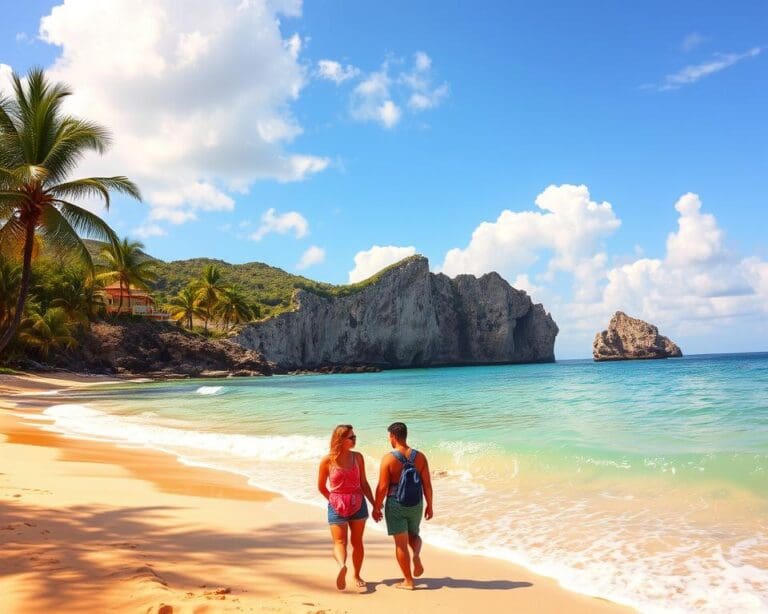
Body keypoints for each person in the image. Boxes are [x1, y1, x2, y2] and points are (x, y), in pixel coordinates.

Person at [372, 421, 434, 590]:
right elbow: (427, 484)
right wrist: (430, 505)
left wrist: (376, 507)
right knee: (414, 535)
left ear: (393, 437)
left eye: (389, 436)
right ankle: (416, 554)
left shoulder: (389, 458)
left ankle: (408, 580)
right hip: (416, 503)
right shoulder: (420, 457)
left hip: (396, 503)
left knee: (400, 544)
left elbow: (383, 487)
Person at [317, 424, 375, 591]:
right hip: (338, 504)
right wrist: (333, 500)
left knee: (353, 542)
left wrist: (375, 505)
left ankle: (353, 572)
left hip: (358, 503)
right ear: (341, 440)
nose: (355, 439)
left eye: (354, 437)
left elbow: (364, 483)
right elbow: (321, 486)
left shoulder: (358, 457)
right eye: (351, 437)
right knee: (343, 542)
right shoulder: (327, 461)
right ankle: (345, 568)